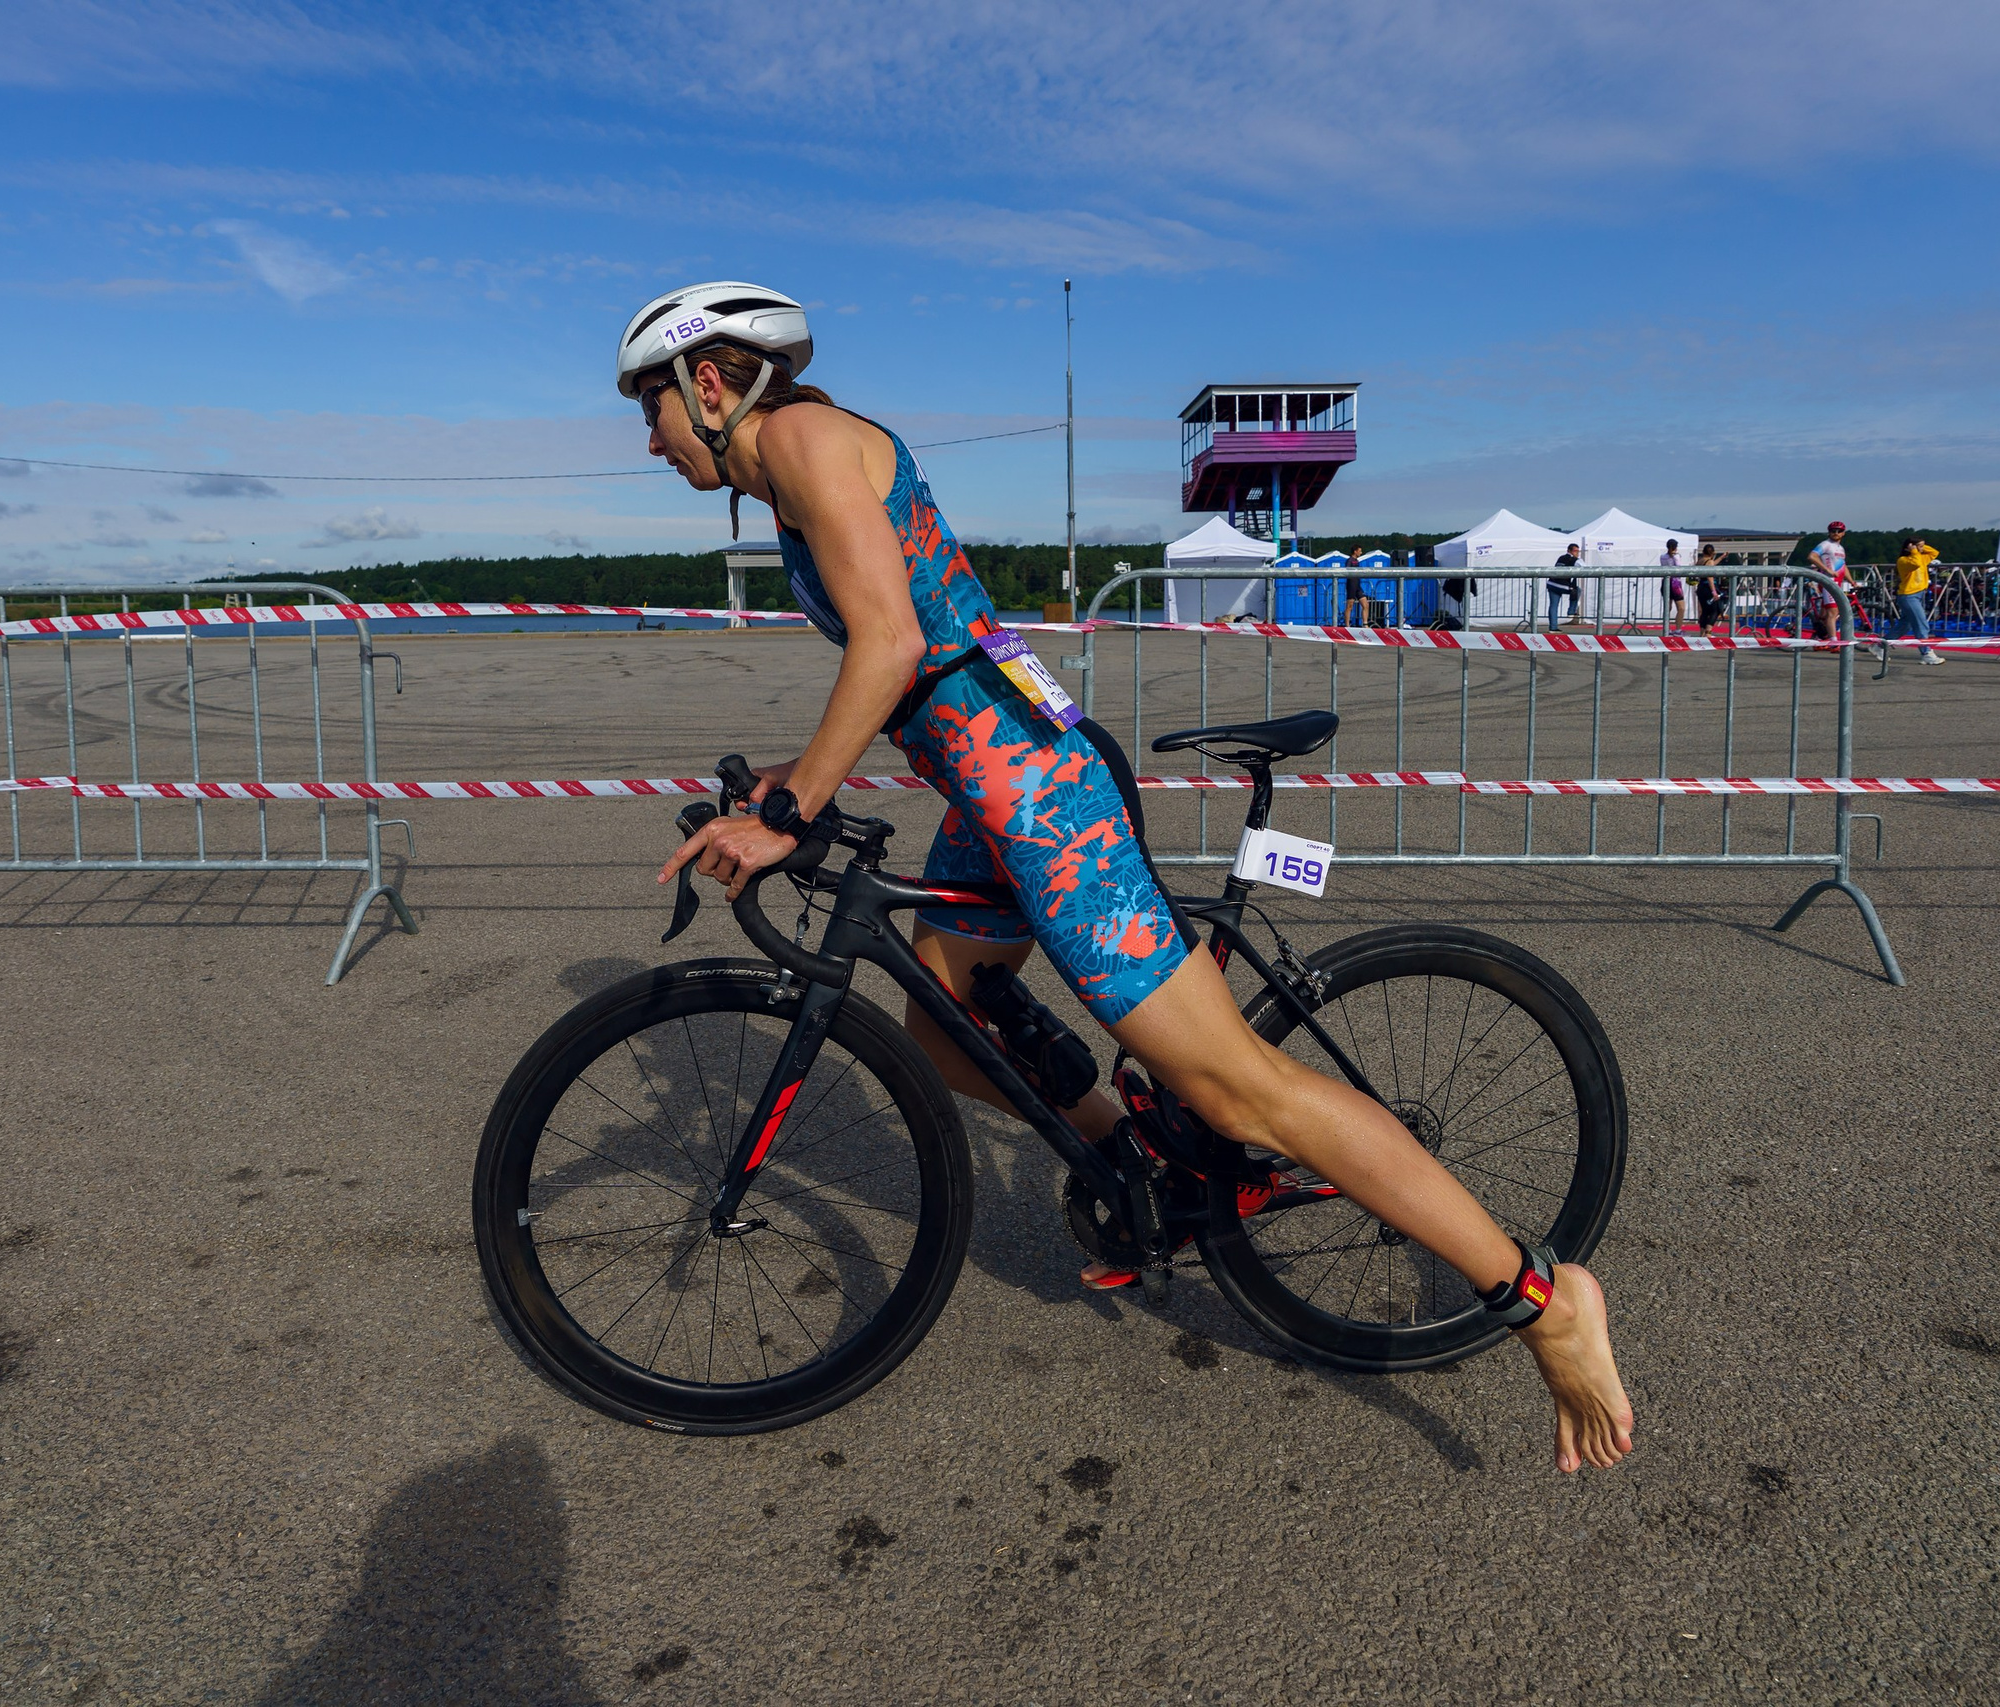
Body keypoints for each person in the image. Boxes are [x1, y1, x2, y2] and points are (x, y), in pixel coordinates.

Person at [630, 282, 1633, 1472]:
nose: (650, 442)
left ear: (707, 382)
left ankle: (1538, 1300)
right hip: (988, 789)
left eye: (651, 410)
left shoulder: (796, 438)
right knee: (945, 1024)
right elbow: (914, 666)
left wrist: (792, 813)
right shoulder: (797, 466)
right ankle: (1134, 1162)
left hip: (1040, 800)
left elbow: (893, 642)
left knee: (1241, 1088)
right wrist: (786, 786)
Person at [1892, 533, 1943, 665]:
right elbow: (1914, 564)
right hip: (1909, 595)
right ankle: (1926, 653)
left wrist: (1920, 546)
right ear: (1910, 547)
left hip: (1918, 594)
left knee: (1904, 626)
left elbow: (1934, 553)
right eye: (1920, 546)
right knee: (1921, 624)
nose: (1922, 549)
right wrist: (1913, 550)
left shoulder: (1921, 557)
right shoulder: (1903, 560)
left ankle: (1880, 646)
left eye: (1922, 546)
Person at [1806, 521, 1852, 643]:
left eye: (1839, 531)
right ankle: (1833, 642)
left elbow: (1843, 565)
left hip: (1837, 582)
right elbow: (1812, 556)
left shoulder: (1841, 548)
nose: (1836, 533)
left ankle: (1820, 635)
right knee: (1833, 612)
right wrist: (1827, 569)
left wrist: (1852, 581)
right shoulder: (1826, 544)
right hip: (1829, 582)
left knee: (1826, 614)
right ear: (1829, 532)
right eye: (1833, 531)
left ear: (1843, 533)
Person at [1692, 544, 1730, 634]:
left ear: (1703, 552)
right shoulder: (1709, 562)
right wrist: (1714, 592)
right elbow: (1710, 577)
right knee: (1715, 610)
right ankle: (1708, 632)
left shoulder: (1700, 561)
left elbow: (1712, 564)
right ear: (1712, 553)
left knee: (1705, 611)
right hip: (1708, 588)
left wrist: (1722, 557)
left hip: (1701, 587)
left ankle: (1702, 632)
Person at [1546, 542, 1582, 629]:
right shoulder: (1575, 560)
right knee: (1577, 590)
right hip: (1562, 584)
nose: (1577, 553)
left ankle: (1553, 627)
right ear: (1569, 551)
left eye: (1578, 551)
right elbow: (1586, 567)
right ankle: (1571, 611)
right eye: (1575, 551)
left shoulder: (1561, 557)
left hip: (1552, 583)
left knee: (1553, 605)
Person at [1661, 539, 1686, 630]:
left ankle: (1666, 628)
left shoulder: (1662, 557)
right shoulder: (1676, 557)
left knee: (1668, 607)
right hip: (1675, 583)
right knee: (1681, 608)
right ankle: (1678, 629)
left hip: (1665, 581)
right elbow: (1678, 568)